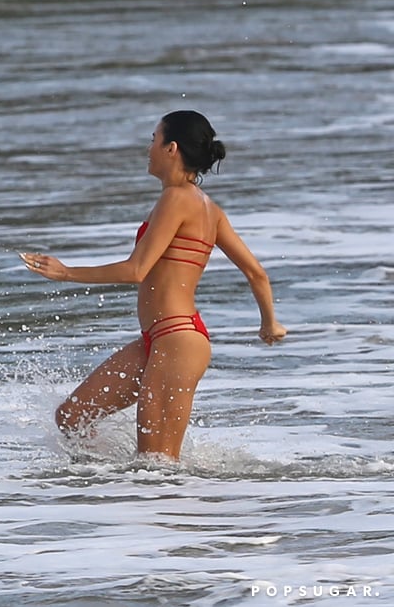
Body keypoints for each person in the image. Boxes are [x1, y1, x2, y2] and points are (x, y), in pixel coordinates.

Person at [20, 110, 286, 461]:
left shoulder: (176, 199)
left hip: (177, 339)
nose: (149, 148)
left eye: (153, 140)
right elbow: (257, 274)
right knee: (72, 417)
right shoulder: (210, 210)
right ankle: (104, 485)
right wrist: (269, 322)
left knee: (156, 468)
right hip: (160, 338)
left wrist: (67, 273)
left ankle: (173, 512)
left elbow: (137, 270)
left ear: (171, 148)